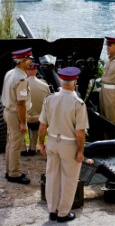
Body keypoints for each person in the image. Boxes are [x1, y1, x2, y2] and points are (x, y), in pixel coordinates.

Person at [38, 66, 89, 223]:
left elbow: (42, 127)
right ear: (75, 81)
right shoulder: (78, 103)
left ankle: (52, 211)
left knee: (52, 176)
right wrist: (81, 150)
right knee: (69, 179)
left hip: (52, 141)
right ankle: (63, 213)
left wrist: (41, 144)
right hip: (69, 144)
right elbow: (80, 133)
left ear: (61, 80)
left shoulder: (49, 99)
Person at [1, 47, 34, 185]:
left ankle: (10, 170)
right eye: (28, 59)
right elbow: (21, 104)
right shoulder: (21, 79)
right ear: (22, 61)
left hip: (7, 111)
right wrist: (23, 122)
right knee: (16, 144)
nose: (30, 62)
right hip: (15, 113)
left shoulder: (10, 73)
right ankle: (14, 173)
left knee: (10, 142)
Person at [21, 62, 51, 157]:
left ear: (25, 71)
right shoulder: (45, 86)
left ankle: (23, 149)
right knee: (35, 124)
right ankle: (33, 148)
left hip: (24, 119)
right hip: (39, 118)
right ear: (36, 71)